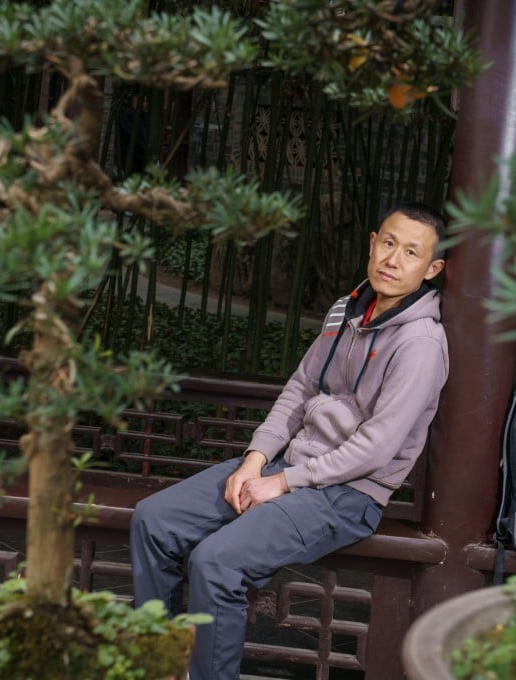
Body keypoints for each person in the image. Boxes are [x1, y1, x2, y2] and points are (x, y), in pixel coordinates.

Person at [130, 202, 450, 680]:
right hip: (288, 466)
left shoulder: (420, 344)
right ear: (371, 243)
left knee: (217, 562)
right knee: (154, 520)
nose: (393, 259)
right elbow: (299, 390)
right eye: (388, 243)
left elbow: (378, 447)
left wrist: (284, 483)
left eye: (411, 252)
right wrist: (254, 460)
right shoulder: (347, 310)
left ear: (432, 269)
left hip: (347, 494)